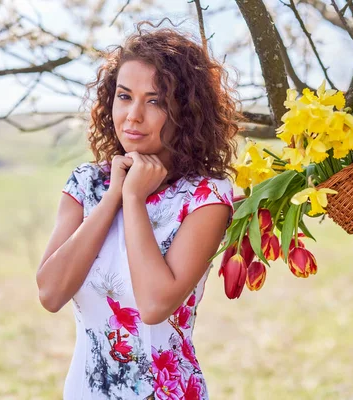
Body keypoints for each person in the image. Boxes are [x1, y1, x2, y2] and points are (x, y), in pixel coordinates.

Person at [36, 20, 240, 400]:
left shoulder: (205, 198)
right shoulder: (85, 185)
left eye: (155, 101)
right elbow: (50, 293)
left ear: (186, 111)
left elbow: (153, 304)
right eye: (125, 96)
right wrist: (113, 195)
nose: (133, 115)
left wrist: (133, 200)